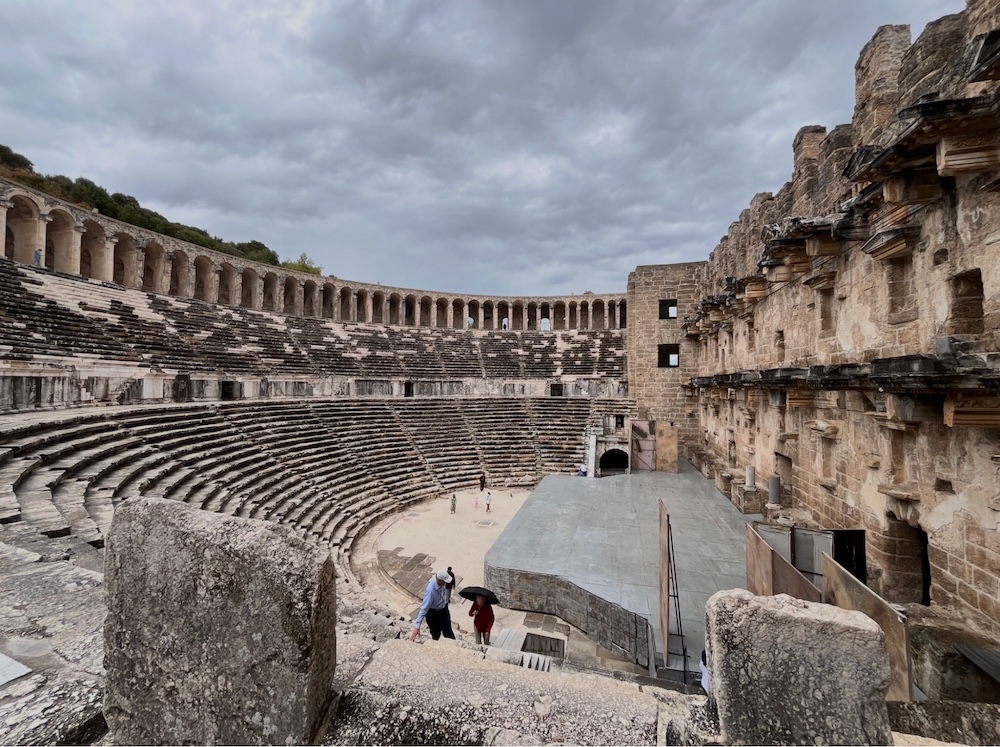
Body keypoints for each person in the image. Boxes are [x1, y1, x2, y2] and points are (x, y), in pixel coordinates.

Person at [410, 569, 455, 641]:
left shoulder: (441, 583)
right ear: (440, 580)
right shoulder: (430, 591)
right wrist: (417, 627)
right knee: (435, 635)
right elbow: (424, 608)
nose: (445, 583)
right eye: (444, 581)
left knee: (449, 633)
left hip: (443, 610)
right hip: (433, 615)